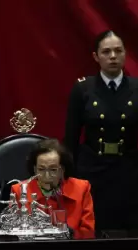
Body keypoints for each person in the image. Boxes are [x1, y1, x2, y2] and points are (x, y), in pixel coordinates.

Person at [63, 30, 138, 234]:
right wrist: (70, 177)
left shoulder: (136, 88)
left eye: (118, 51)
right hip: (93, 169)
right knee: (95, 226)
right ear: (96, 57)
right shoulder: (83, 89)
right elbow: (71, 136)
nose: (113, 56)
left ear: (125, 54)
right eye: (106, 52)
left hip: (129, 169)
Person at [11, 139, 95, 239]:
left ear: (62, 169)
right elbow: (14, 233)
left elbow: (88, 233)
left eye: (53, 170)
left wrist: (70, 234)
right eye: (41, 169)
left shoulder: (81, 189)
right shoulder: (20, 191)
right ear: (34, 169)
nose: (47, 175)